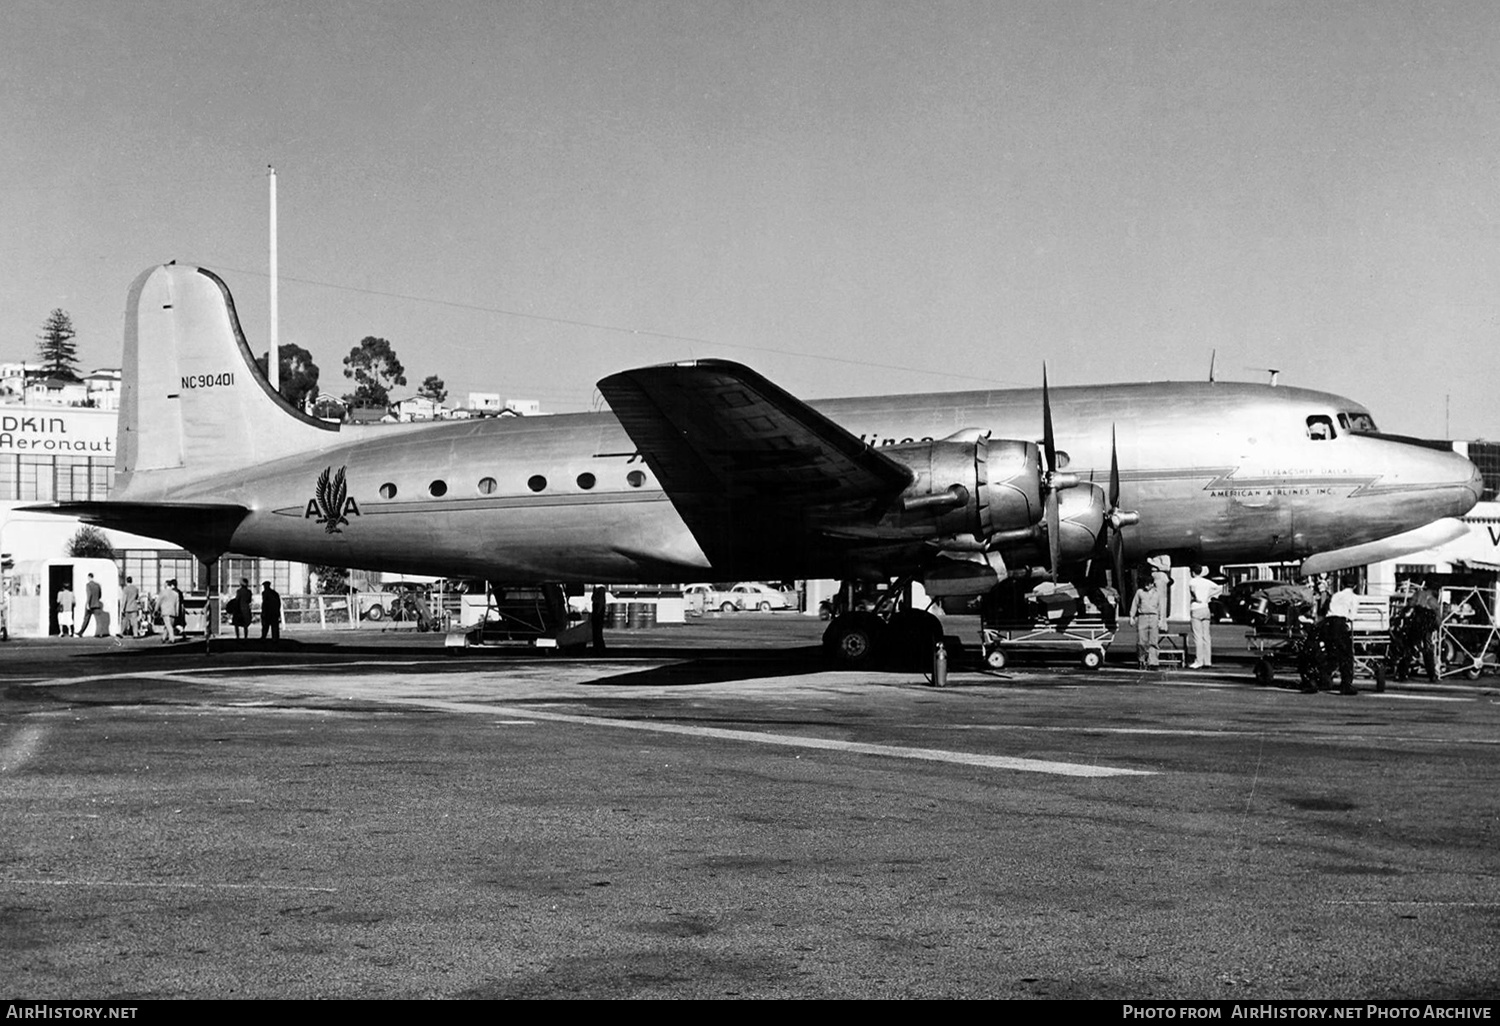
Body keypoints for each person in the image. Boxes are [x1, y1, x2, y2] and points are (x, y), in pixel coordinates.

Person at [1320, 582, 1360, 695]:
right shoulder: (1354, 597)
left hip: (1327, 624)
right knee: (1346, 655)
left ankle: (1324, 679)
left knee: (1331, 653)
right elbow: (1352, 616)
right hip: (1339, 624)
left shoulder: (1336, 595)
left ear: (1342, 585)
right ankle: (1346, 684)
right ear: (1355, 586)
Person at [1187, 566, 1223, 668]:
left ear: (1193, 572)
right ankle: (1208, 661)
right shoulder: (1206, 581)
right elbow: (1219, 588)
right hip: (1206, 608)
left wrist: (1197, 598)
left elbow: (1194, 592)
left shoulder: (1192, 581)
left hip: (1196, 608)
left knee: (1197, 636)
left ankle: (1199, 661)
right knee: (1206, 636)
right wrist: (1208, 596)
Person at [1128, 575, 1165, 669]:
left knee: (1153, 641)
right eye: (1145, 584)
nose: (1146, 586)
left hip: (1153, 617)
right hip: (1142, 616)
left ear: (1152, 584)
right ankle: (1141, 659)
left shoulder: (1158, 593)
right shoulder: (1139, 592)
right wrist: (1132, 616)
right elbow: (1135, 604)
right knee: (1141, 641)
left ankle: (1153, 662)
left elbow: (1161, 606)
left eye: (1148, 585)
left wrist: (1161, 619)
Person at [78, 573, 104, 637]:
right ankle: (100, 633)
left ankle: (81, 632)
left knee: (86, 619)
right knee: (98, 620)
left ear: (89, 577)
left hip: (90, 605)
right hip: (97, 604)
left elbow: (89, 595)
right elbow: (100, 595)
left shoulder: (88, 585)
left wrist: (87, 604)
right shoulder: (98, 585)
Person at [157, 579, 182, 643]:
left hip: (165, 611)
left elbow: (158, 602)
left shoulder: (163, 592)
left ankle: (172, 638)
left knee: (169, 626)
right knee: (168, 625)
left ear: (167, 585)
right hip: (173, 612)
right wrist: (177, 613)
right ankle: (163, 637)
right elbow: (177, 604)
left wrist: (156, 609)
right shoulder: (176, 594)